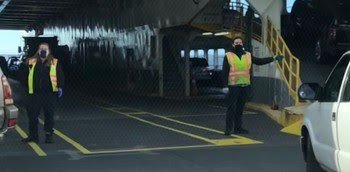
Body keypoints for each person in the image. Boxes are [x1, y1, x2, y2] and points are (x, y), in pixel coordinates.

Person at [222, 36, 283, 135]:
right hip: (233, 86)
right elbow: (225, 71)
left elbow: (259, 61)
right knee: (231, 108)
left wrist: (273, 58)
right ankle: (228, 129)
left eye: (240, 43)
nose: (238, 44)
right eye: (236, 43)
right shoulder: (228, 56)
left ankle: (238, 128)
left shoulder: (248, 55)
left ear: (242, 44)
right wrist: (225, 85)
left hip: (244, 86)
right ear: (233, 45)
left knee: (240, 108)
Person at [21, 43, 64, 143]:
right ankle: (33, 136)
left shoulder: (54, 62)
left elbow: (60, 76)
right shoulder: (31, 61)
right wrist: (25, 89)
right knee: (32, 116)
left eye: (45, 49)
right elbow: (24, 76)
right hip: (34, 94)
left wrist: (60, 87)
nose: (43, 50)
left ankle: (49, 136)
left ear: (49, 50)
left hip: (49, 94)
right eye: (41, 48)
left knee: (49, 116)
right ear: (38, 50)